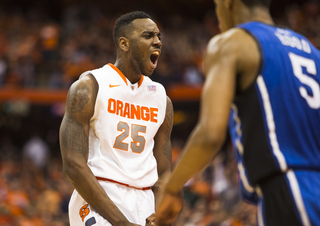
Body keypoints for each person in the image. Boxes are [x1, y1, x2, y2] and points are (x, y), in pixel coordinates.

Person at [156, 0, 320, 225]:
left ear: (227, 3)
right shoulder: (311, 50)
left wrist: (172, 187)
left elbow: (210, 134)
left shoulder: (231, 43)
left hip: (289, 188)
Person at [59, 11, 173, 226]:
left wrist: (163, 211)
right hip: (98, 197)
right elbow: (73, 165)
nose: (157, 42)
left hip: (144, 200)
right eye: (148, 36)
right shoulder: (89, 87)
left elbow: (163, 171)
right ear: (124, 44)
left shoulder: (161, 98)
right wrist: (121, 222)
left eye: (158, 36)